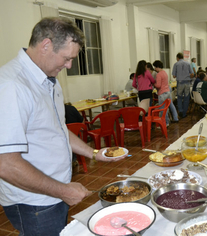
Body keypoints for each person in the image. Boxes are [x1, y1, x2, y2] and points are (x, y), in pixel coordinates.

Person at [0, 17, 124, 236]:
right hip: (34, 201)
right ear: (46, 45)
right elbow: (6, 164)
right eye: (67, 58)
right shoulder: (12, 85)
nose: (69, 66)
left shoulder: (49, 79)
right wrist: (63, 190)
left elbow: (57, 130)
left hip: (54, 192)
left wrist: (94, 153)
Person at [153, 60, 179, 126]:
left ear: (157, 67)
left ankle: (165, 123)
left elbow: (158, 85)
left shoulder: (158, 74)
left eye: (155, 67)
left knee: (163, 109)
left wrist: (154, 84)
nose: (155, 69)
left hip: (162, 93)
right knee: (171, 105)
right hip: (167, 91)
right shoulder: (165, 72)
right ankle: (175, 118)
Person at [172, 52, 194, 118]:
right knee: (186, 98)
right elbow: (192, 74)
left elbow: (174, 76)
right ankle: (184, 113)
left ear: (177, 58)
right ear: (183, 57)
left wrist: (179, 74)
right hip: (187, 82)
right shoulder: (188, 63)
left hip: (180, 83)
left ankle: (180, 111)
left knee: (179, 97)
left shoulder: (176, 64)